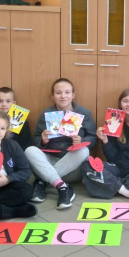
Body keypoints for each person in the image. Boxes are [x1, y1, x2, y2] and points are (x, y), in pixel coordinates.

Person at [25, 78, 96, 209]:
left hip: (72, 167)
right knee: (29, 150)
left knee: (84, 150)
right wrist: (43, 141)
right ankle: (62, 186)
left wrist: (82, 140)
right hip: (50, 161)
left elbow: (93, 138)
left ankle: (43, 181)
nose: (63, 96)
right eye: (58, 93)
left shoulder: (83, 113)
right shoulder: (46, 114)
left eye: (67, 92)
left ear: (73, 95)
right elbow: (35, 139)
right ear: (52, 96)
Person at [81, 88, 129, 202]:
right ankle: (127, 192)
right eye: (125, 101)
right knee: (87, 164)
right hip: (115, 167)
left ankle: (107, 183)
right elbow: (111, 158)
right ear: (120, 103)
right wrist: (105, 140)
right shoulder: (113, 122)